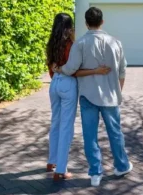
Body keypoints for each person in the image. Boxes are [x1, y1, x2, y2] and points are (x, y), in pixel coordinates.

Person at [57, 7, 132, 187]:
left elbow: (71, 68)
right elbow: (122, 71)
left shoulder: (80, 43)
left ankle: (95, 173)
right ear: (102, 22)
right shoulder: (115, 43)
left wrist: (59, 69)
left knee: (90, 136)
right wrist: (117, 91)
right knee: (115, 133)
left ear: (86, 23)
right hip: (111, 97)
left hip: (87, 96)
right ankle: (121, 165)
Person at [46, 13, 111, 182]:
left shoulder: (51, 43)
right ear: (69, 27)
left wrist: (56, 71)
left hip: (54, 84)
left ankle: (52, 161)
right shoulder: (71, 45)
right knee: (66, 126)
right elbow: (74, 68)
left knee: (56, 122)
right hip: (68, 84)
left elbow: (51, 67)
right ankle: (61, 169)